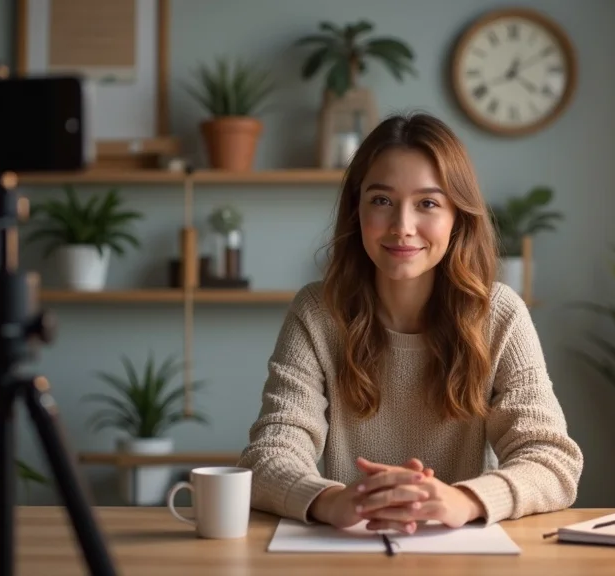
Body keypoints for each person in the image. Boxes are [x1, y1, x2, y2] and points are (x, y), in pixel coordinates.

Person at [237, 111, 583, 535]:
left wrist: (463, 500)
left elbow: (551, 459)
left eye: (428, 204)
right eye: (381, 201)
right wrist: (333, 501)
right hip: (348, 552)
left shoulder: (500, 314)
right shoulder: (317, 312)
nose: (402, 227)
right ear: (356, 210)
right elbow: (269, 453)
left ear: (458, 216)